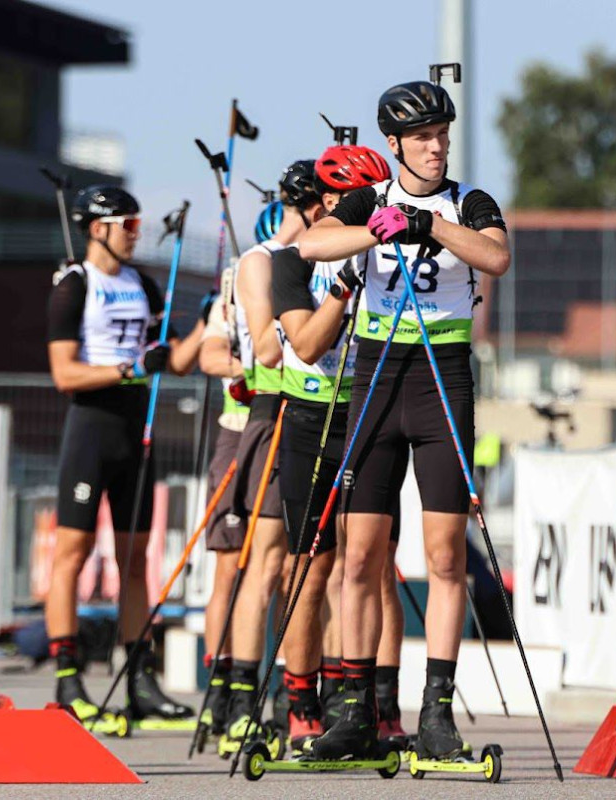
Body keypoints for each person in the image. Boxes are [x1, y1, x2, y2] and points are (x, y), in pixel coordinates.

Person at [299, 77, 510, 760]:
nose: (436, 147)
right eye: (422, 137)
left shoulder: (469, 201)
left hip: (441, 379)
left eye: (442, 135)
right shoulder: (370, 196)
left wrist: (429, 226)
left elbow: (496, 257)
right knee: (361, 555)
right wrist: (373, 228)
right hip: (376, 376)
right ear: (393, 143)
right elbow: (311, 246)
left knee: (446, 555)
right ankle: (355, 712)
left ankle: (437, 714)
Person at [45, 184, 206, 734]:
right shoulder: (75, 284)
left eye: (139, 225)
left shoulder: (143, 283)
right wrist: (130, 368)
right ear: (98, 229)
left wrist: (208, 320)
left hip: (137, 428)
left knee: (136, 560)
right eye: (128, 226)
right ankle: (68, 679)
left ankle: (140, 680)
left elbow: (176, 361)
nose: (137, 235)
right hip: (91, 428)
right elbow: (64, 374)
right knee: (72, 554)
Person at [271, 144, 413, 753]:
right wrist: (347, 282)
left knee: (377, 568)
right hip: (311, 420)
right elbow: (306, 345)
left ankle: (377, 703)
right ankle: (300, 703)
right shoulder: (293, 261)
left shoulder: (388, 250)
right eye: (361, 199)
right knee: (310, 569)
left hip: (371, 416)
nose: (373, 208)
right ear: (328, 202)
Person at [217, 165, 313, 757]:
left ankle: (300, 696)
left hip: (323, 409)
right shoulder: (263, 260)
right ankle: (241, 700)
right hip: (275, 408)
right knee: (266, 563)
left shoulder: (324, 255)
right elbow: (268, 348)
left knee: (313, 568)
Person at [195, 205, 281, 738]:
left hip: (283, 426)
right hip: (237, 428)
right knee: (229, 566)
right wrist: (243, 369)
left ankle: (282, 684)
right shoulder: (235, 280)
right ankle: (219, 683)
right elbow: (209, 354)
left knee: (280, 566)